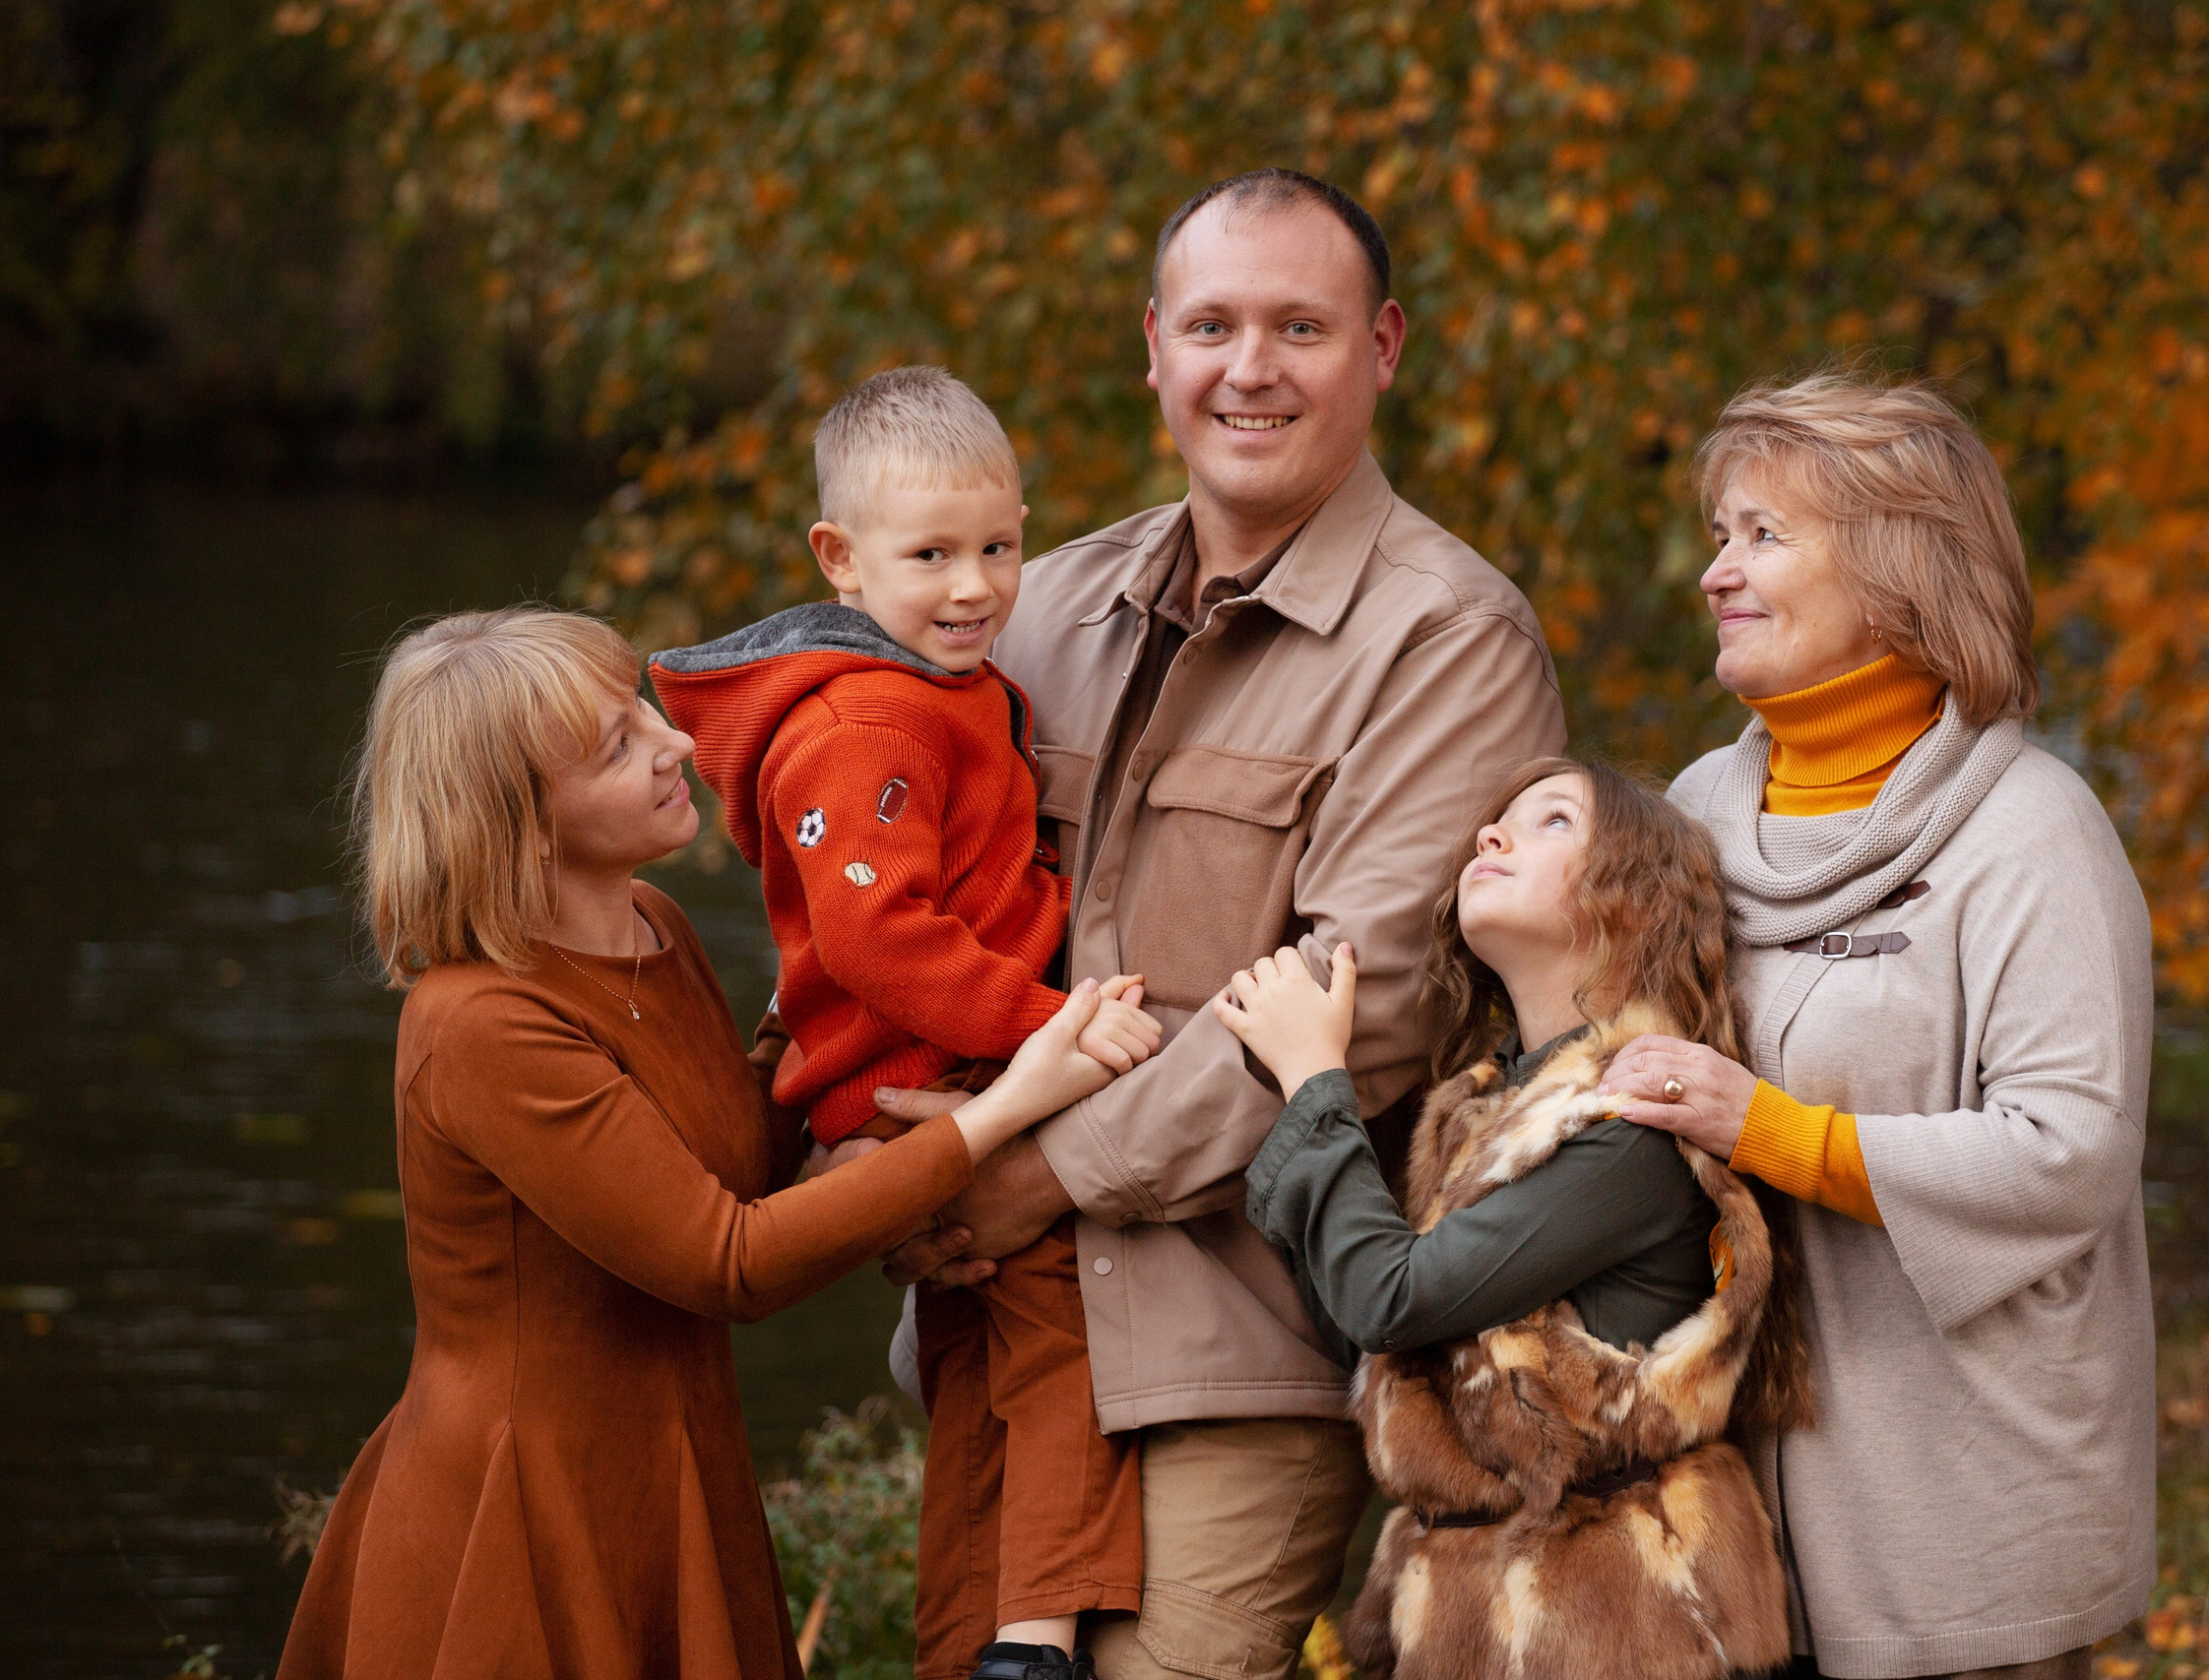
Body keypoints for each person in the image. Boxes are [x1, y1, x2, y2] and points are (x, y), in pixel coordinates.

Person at [873, 167, 1567, 1678]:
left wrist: (1032, 1171)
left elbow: (1367, 997)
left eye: (1299, 327)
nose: (1250, 368)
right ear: (1153, 347)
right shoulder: (1034, 609)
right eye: (1211, 326)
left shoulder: (1448, 637)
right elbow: (885, 884)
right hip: (1000, 1336)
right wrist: (852, 1157)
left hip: (1235, 1354)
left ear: (1382, 347)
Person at [280, 605, 1157, 1680]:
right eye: (618, 747)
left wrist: (872, 1143)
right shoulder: (479, 1024)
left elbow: (738, 1147)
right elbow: (724, 1258)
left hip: (678, 1463)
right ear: (523, 822)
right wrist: (1003, 1112)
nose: (675, 743)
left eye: (640, 711)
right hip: (524, 1510)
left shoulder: (654, 923)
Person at [1603, 370, 2156, 1679]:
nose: (1715, 574)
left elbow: (2071, 1150)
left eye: (1763, 534)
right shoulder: (1696, 810)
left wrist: (1776, 1131)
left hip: (1961, 1496)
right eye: (1720, 534)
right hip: (1723, 1505)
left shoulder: (2031, 829)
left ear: (1898, 572)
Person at [650, 367, 1155, 1680]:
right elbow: (876, 936)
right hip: (931, 1067)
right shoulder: (863, 719)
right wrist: (1048, 1025)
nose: (973, 586)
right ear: (841, 557)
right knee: (1064, 1340)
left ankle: (963, 1644)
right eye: (930, 555)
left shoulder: (943, 684)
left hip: (937, 1059)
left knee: (973, 1371)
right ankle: (1037, 1642)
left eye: (998, 547)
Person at [1221, 759, 1799, 1680]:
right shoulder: (1480, 1109)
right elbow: (1374, 1344)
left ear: (1637, 904)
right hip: (1472, 1611)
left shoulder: (1636, 1122)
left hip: (1615, 1623)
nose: (1491, 835)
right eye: (1498, 822)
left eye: (1553, 820)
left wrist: (1314, 1081)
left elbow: (1391, 1301)